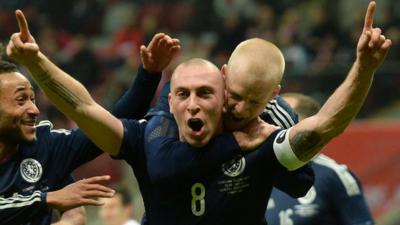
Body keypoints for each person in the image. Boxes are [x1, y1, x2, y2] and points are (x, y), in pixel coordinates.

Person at [7, 1, 390, 224]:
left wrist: (364, 68)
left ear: (222, 94)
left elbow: (325, 126)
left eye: (205, 94)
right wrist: (38, 64)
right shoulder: (146, 135)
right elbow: (83, 105)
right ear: (169, 102)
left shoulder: (260, 140)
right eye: (183, 94)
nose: (193, 103)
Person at [0, 60, 116, 225]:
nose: (35, 110)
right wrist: (46, 199)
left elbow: (74, 210)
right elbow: (57, 198)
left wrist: (147, 77)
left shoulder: (42, 149)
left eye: (32, 99)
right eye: (20, 100)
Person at [265, 92, 374, 225]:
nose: (274, 122)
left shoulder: (334, 174)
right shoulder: (255, 170)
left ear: (306, 123)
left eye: (282, 115)